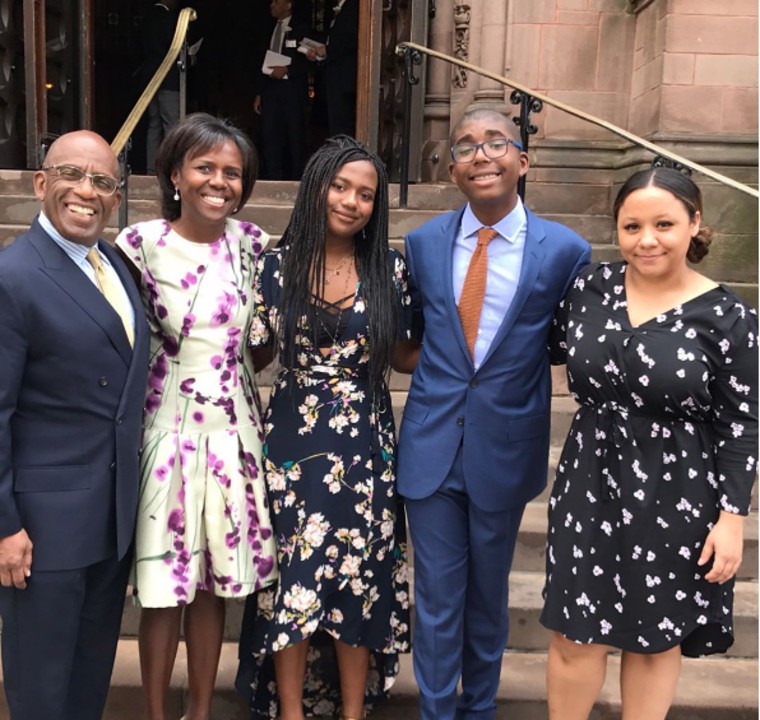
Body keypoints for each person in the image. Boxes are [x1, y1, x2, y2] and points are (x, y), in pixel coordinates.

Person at [541, 167, 758, 719]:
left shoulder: (729, 318)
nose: (647, 239)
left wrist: (732, 517)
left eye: (664, 223)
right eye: (632, 225)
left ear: (695, 223)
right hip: (589, 482)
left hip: (679, 491)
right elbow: (536, 349)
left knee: (654, 637)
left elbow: (742, 423)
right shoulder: (590, 288)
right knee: (573, 634)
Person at [397, 107, 591, 720]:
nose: (481, 154)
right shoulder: (423, 243)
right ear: (452, 169)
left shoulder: (565, 250)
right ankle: (436, 711)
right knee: (434, 599)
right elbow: (416, 336)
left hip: (504, 448)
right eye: (466, 147)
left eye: (496, 143)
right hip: (430, 445)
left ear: (522, 162)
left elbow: (562, 342)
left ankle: (478, 709)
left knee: (486, 599)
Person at [236, 135, 417, 720]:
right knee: (292, 577)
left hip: (365, 447)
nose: (351, 201)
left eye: (365, 194)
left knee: (359, 577)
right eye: (340, 186)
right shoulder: (272, 266)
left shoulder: (389, 268)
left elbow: (405, 355)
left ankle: (352, 712)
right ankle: (289, 711)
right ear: (316, 187)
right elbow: (253, 353)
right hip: (289, 445)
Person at [114, 113, 278, 720]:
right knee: (162, 589)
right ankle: (159, 713)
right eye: (205, 167)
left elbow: (263, 346)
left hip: (234, 431)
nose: (219, 182)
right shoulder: (138, 245)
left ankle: (201, 712)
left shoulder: (255, 247)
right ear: (176, 174)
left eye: (232, 172)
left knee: (212, 588)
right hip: (166, 428)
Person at [0, 130, 150, 720]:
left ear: (117, 197)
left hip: (108, 522)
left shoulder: (115, 263)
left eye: (103, 181)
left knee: (88, 684)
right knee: (41, 691)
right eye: (72, 175)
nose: (87, 191)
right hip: (42, 530)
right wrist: (6, 525)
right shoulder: (13, 276)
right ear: (42, 183)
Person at [254, 0, 311, 180]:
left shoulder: (302, 28)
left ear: (288, 4)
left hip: (292, 91)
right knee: (270, 134)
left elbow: (310, 60)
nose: (271, 5)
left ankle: (296, 179)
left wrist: (288, 69)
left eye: (277, 1)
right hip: (270, 91)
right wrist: (259, 94)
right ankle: (272, 176)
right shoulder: (267, 28)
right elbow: (260, 61)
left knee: (294, 135)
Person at [140, 0, 182, 174]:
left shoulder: (146, 18)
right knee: (172, 125)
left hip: (150, 80)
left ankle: (151, 169)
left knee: (154, 124)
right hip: (168, 79)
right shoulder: (171, 19)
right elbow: (175, 47)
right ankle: (172, 169)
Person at [307, 0, 358, 137]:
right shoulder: (340, 9)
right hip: (336, 78)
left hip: (345, 79)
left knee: (343, 128)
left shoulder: (354, 6)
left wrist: (327, 50)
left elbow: (352, 38)